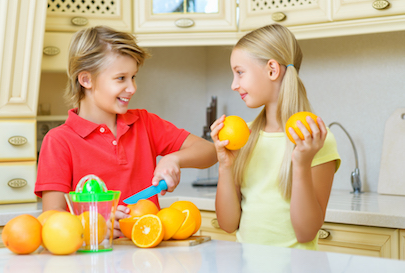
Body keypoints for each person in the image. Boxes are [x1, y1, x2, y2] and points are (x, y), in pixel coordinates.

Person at [35, 25, 217, 237]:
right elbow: (51, 216)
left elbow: (209, 152)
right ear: (86, 80)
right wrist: (97, 225)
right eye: (121, 78)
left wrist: (174, 159)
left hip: (148, 255)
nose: (132, 88)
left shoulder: (145, 123)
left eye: (133, 77)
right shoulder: (59, 141)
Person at [210, 24, 340, 250]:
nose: (234, 85)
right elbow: (228, 224)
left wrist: (301, 163)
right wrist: (225, 166)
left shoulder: (315, 139)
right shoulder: (245, 136)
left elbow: (306, 232)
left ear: (272, 69)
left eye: (240, 72)